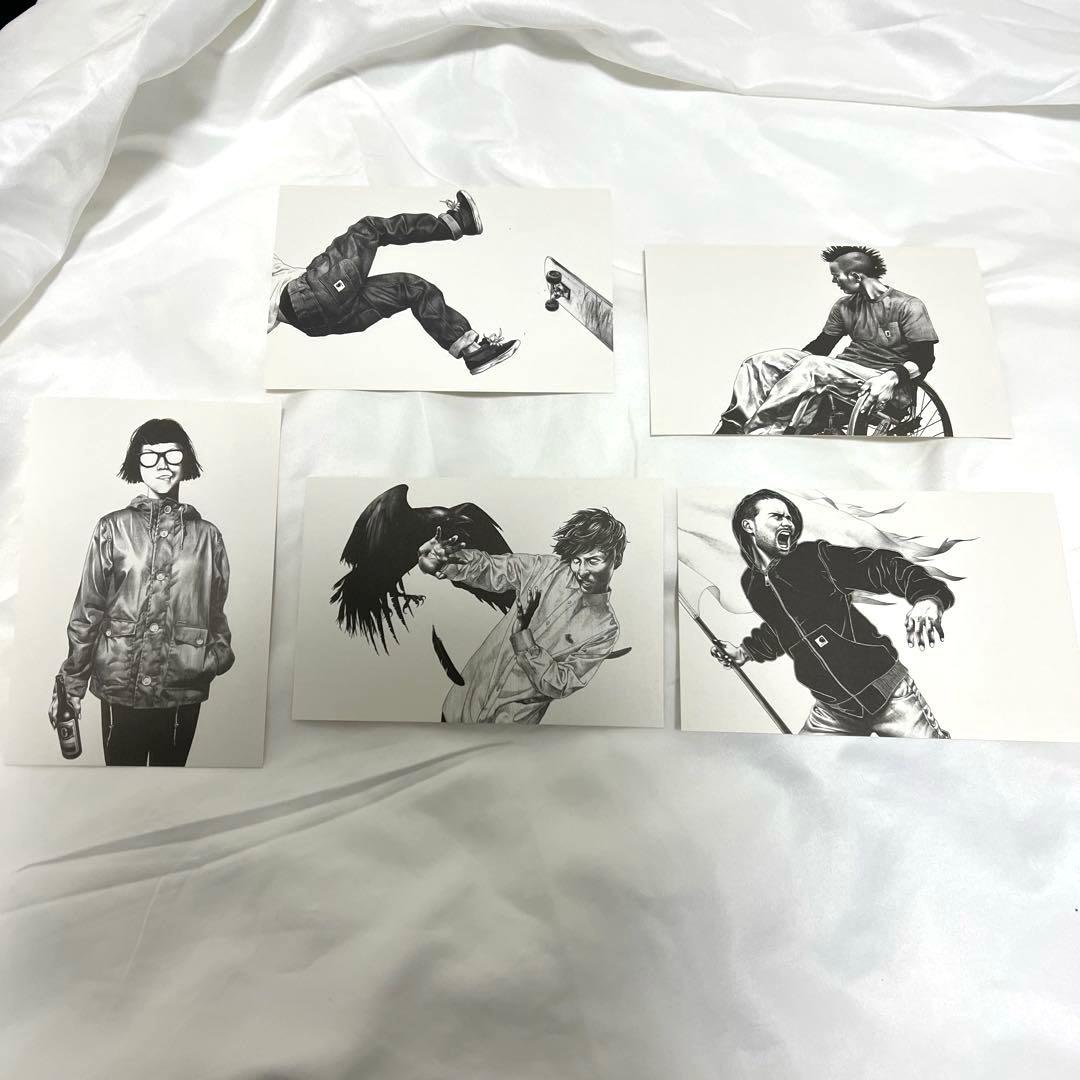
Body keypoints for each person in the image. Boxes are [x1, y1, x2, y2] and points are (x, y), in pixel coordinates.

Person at [48, 419, 234, 766]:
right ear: (137, 464)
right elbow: (88, 610)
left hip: (182, 688)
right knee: (120, 788)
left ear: (186, 460)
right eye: (150, 456)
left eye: (172, 454)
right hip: (119, 684)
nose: (162, 464)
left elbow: (215, 611)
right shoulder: (112, 527)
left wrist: (212, 658)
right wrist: (71, 686)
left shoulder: (208, 536)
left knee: (170, 789)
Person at [711, 490, 952, 737]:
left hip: (890, 696)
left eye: (789, 517)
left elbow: (882, 566)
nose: (788, 523)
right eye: (777, 516)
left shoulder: (812, 559)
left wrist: (927, 596)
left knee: (933, 759)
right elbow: (781, 629)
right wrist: (744, 652)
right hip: (833, 712)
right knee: (801, 761)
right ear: (749, 526)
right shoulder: (752, 585)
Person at [268, 189, 521, 376]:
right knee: (368, 229)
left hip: (313, 323)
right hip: (308, 295)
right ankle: (456, 223)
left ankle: (473, 351)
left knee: (413, 288)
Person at [415, 508, 626, 723]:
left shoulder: (606, 629)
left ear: (615, 559)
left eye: (593, 561)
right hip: (461, 705)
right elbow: (491, 567)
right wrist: (446, 561)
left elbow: (561, 684)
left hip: (511, 726)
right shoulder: (545, 569)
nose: (581, 571)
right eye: (577, 560)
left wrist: (524, 642)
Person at [715, 245, 939, 434]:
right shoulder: (844, 306)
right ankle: (734, 425)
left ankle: (760, 432)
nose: (834, 281)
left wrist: (890, 378)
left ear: (855, 276)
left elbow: (925, 359)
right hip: (844, 370)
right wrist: (790, 367)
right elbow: (822, 346)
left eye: (836, 276)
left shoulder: (908, 305)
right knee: (760, 362)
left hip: (881, 375)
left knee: (812, 367)